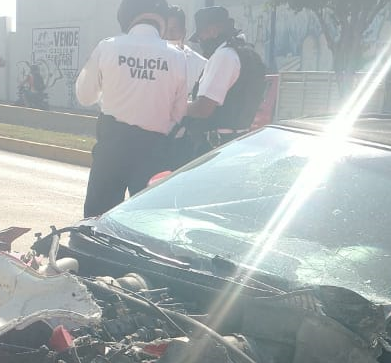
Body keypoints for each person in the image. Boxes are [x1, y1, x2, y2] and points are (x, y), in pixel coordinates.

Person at [75, 0, 189, 218]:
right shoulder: (177, 56)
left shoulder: (108, 46)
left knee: (97, 221)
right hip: (154, 150)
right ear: (162, 21)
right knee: (146, 224)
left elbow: (84, 96)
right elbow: (179, 113)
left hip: (113, 146)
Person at [185, 6, 267, 148]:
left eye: (200, 36)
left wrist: (176, 107)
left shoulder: (224, 55)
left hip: (217, 144)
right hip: (240, 139)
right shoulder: (247, 53)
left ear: (213, 30)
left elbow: (204, 109)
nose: (201, 42)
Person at [164, 5, 206, 91]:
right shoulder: (150, 60)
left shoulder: (201, 64)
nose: (168, 35)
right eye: (165, 29)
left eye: (173, 29)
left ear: (184, 32)